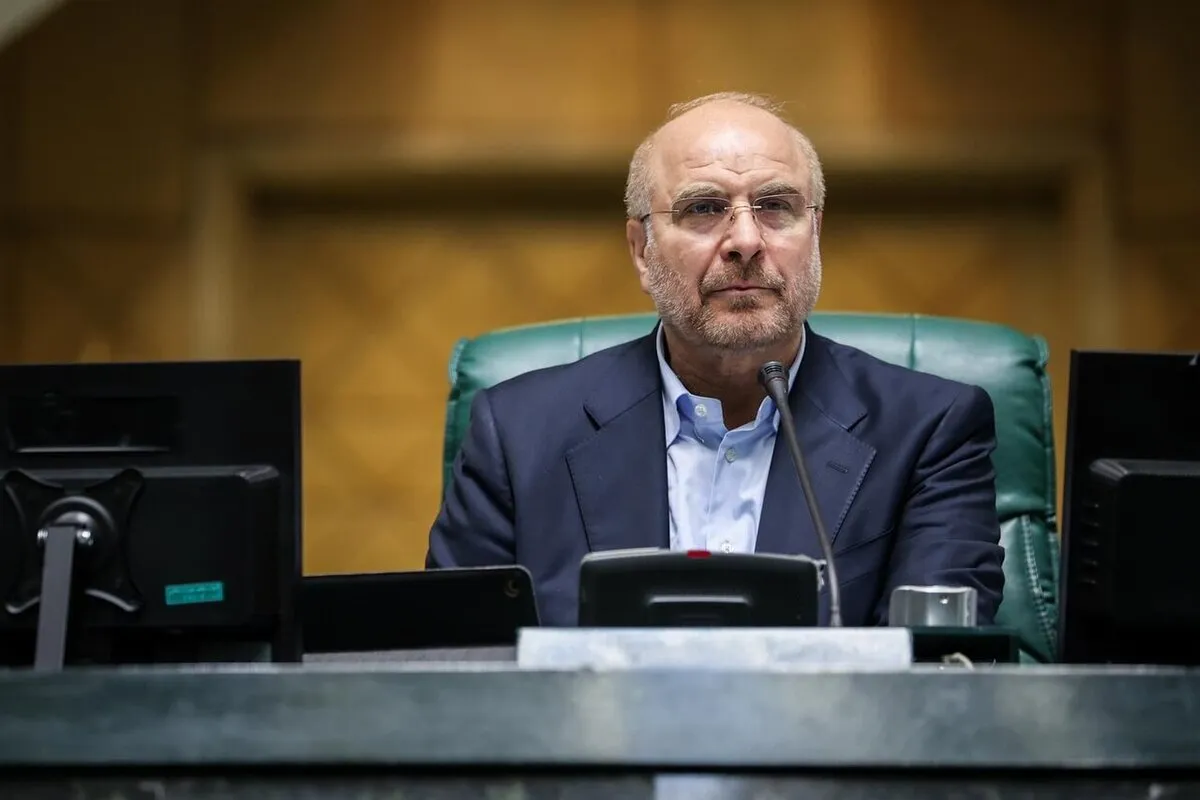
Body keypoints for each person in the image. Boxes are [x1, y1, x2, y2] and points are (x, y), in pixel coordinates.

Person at [426, 91, 1005, 627]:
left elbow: (934, 669)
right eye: (703, 208)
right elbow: (457, 661)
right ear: (641, 250)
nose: (746, 241)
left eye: (776, 206)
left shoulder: (929, 431)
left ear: (815, 234)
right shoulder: (518, 434)